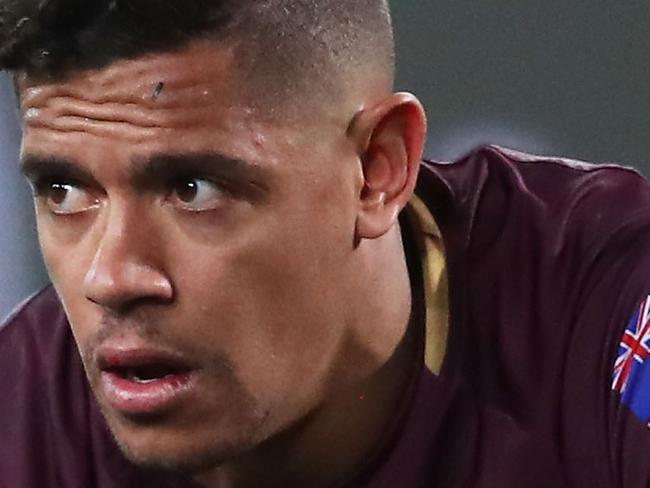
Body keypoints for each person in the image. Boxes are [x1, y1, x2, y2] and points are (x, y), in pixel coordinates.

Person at [0, 1, 648, 486]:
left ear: (377, 170)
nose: (110, 277)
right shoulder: (21, 414)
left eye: (192, 187)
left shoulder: (603, 309)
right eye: (64, 190)